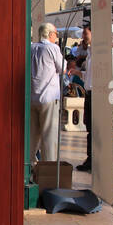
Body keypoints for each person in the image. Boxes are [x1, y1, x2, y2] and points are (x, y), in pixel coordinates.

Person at [75, 26, 113, 172]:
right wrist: (79, 73)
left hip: (101, 95)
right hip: (90, 94)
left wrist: (106, 93)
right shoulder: (90, 52)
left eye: (85, 33)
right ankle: (91, 158)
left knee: (101, 129)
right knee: (91, 128)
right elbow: (90, 76)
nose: (83, 36)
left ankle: (106, 159)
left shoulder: (108, 51)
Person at [29, 22, 64, 161]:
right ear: (50, 34)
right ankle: (48, 170)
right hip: (48, 97)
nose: (56, 37)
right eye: (56, 34)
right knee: (49, 137)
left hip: (32, 97)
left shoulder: (31, 47)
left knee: (32, 137)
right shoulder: (53, 48)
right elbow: (62, 68)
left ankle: (29, 167)